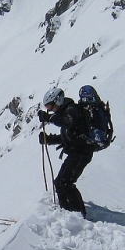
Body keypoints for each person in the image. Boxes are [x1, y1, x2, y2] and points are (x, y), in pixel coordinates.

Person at [38, 87, 94, 216]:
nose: (50, 109)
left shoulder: (72, 110)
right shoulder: (66, 112)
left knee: (64, 183)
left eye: (50, 106)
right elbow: (68, 137)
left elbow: (67, 122)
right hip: (77, 152)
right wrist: (49, 139)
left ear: (58, 100)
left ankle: (77, 214)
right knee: (61, 182)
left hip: (81, 153)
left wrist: (48, 118)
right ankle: (69, 212)